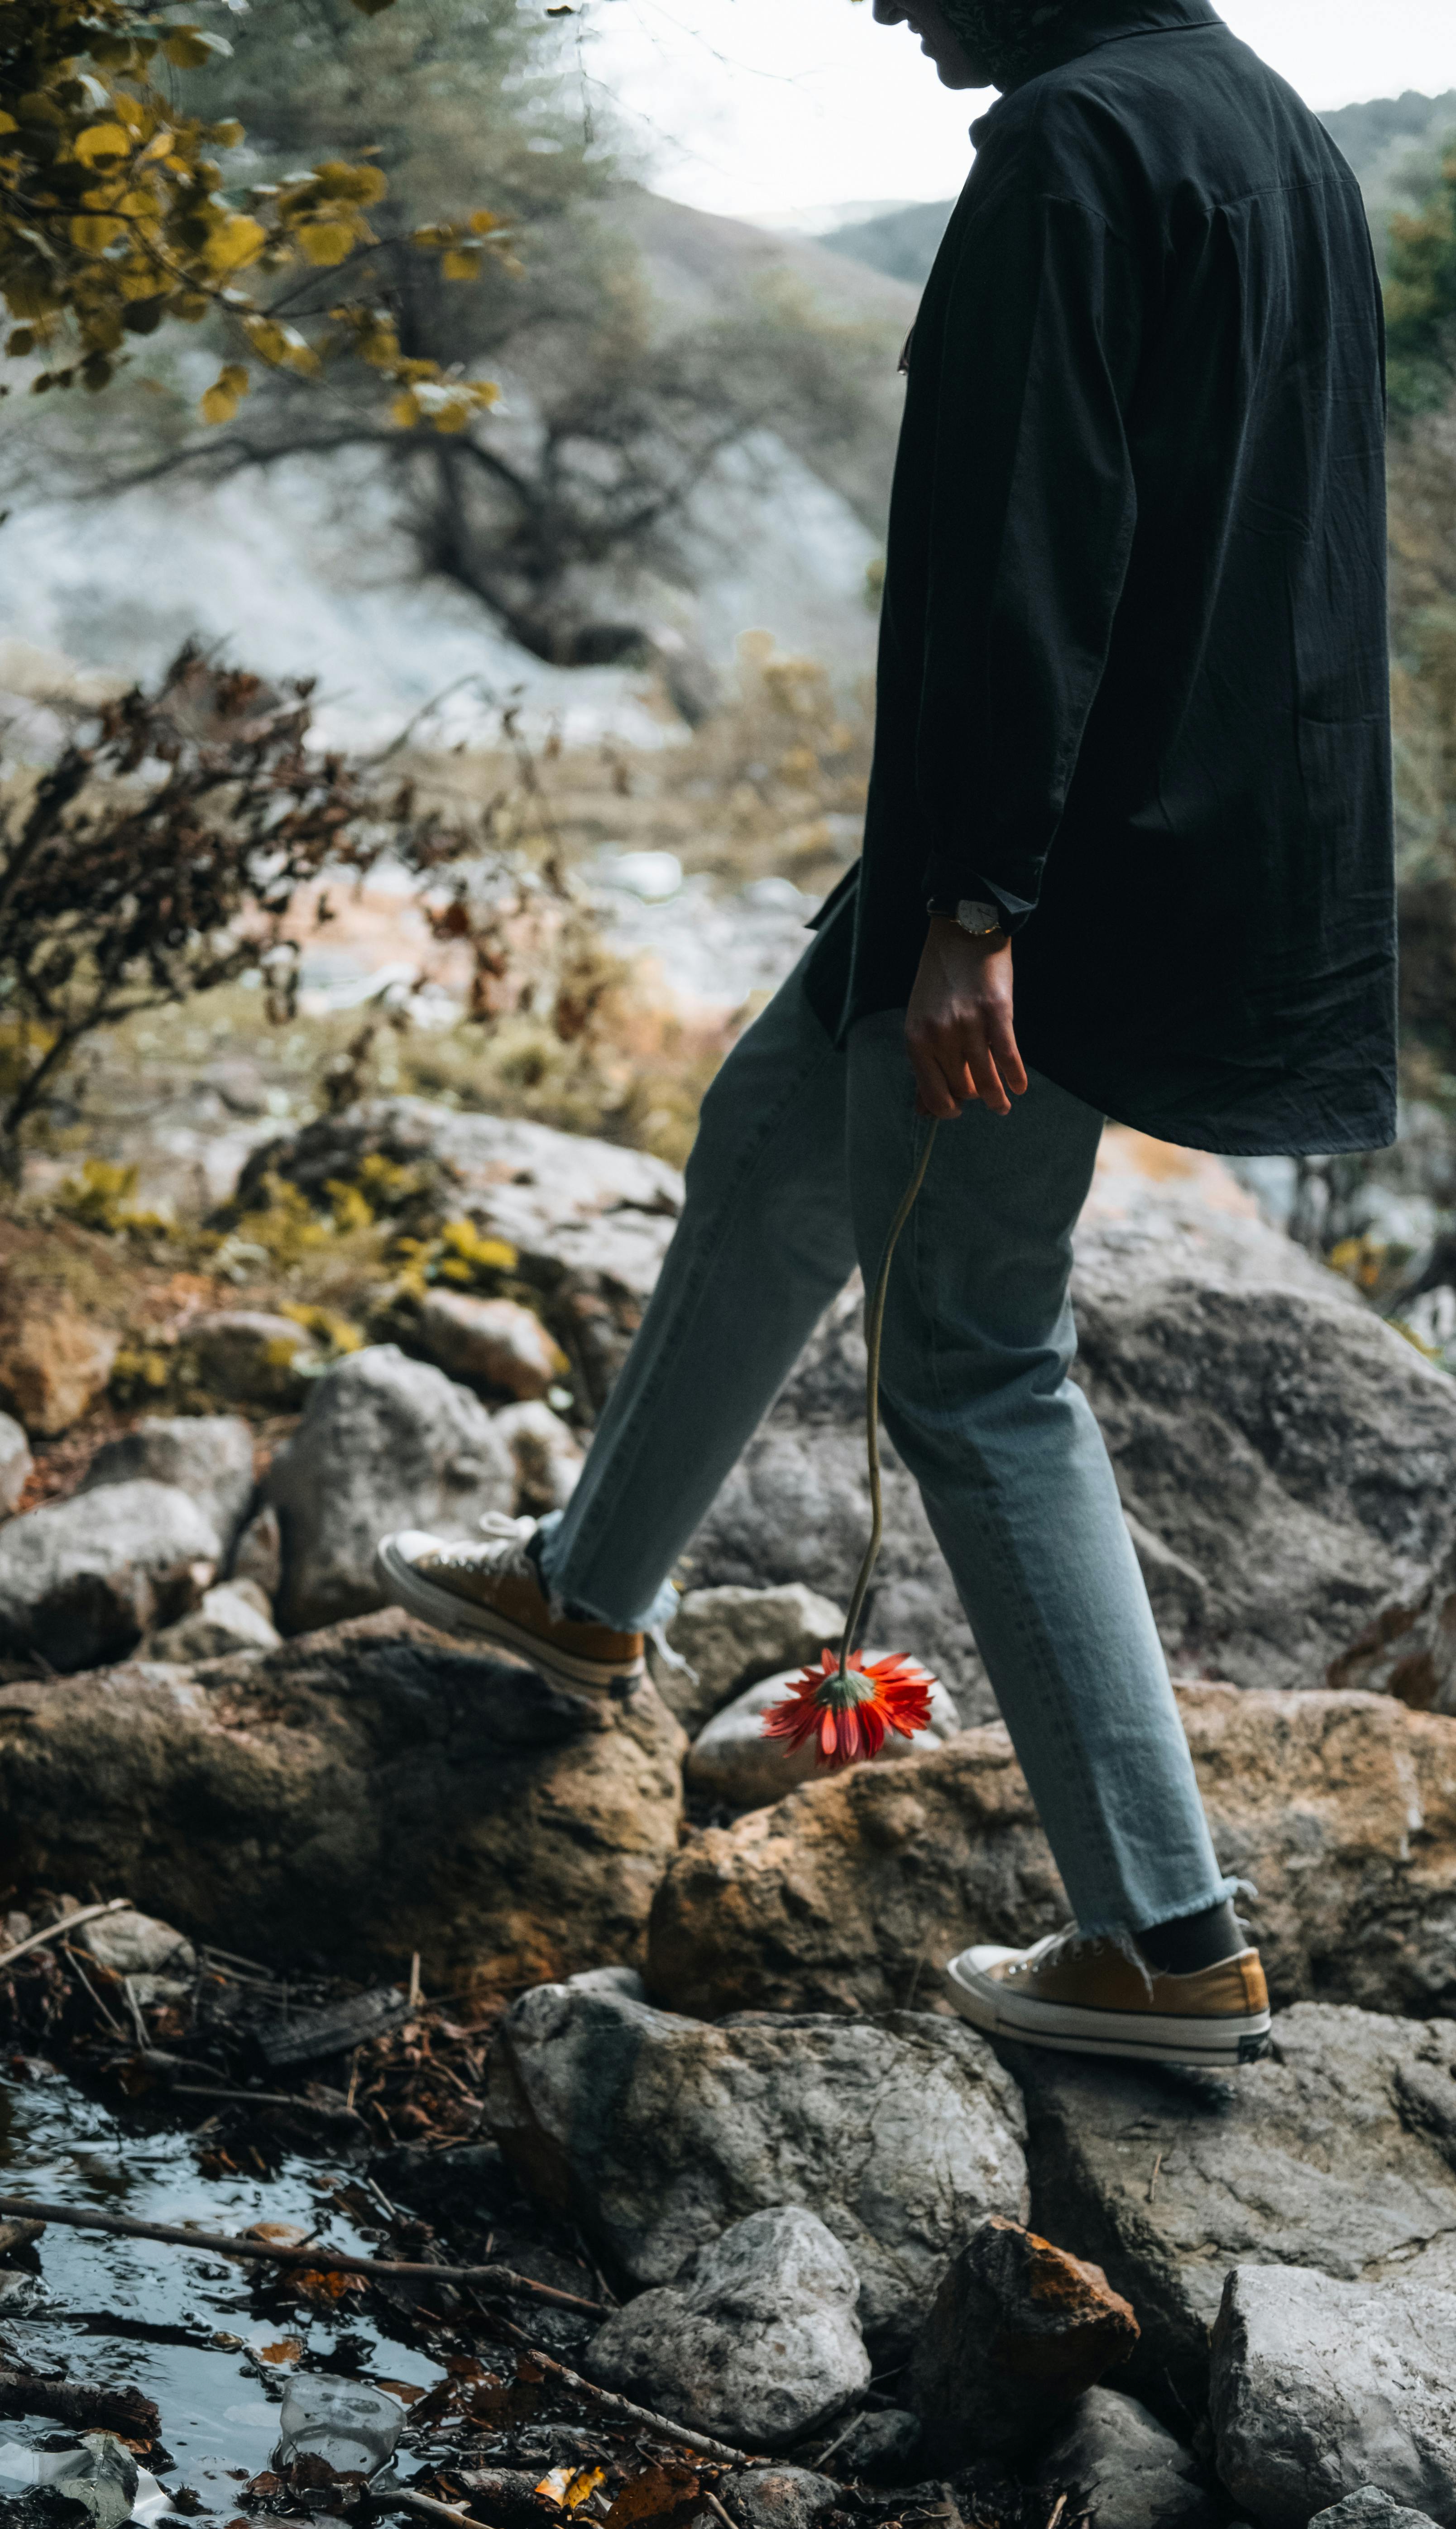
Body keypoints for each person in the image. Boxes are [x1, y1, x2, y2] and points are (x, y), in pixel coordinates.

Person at [378, 0, 1394, 2069]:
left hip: (1054, 867)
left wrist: (976, 911)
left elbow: (1031, 554)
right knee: (773, 1132)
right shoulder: (1269, 135)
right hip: (1173, 827)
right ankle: (589, 1582)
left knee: (974, 1357)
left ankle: (1163, 1928)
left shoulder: (1072, 147)